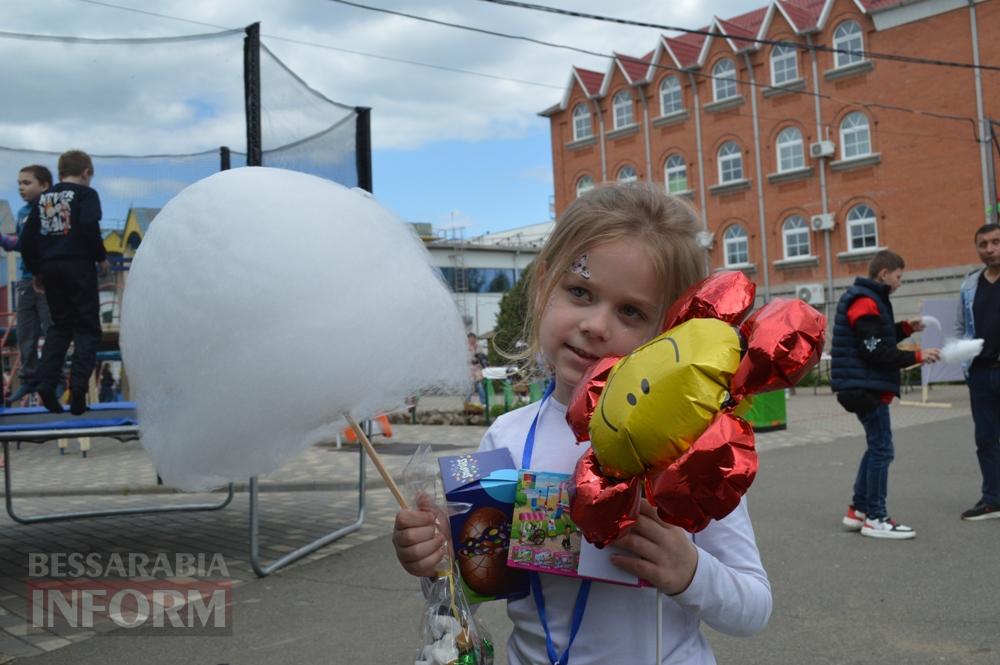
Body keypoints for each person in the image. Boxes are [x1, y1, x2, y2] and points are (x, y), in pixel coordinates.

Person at [392, 183, 771, 664]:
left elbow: (754, 608)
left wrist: (690, 571)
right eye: (580, 292)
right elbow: (478, 583)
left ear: (671, 331)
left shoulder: (691, 449)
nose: (595, 324)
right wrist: (436, 558)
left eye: (630, 311)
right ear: (545, 283)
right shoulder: (506, 437)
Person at [831, 250, 940, 540]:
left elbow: (875, 337)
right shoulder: (865, 300)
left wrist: (905, 328)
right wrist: (917, 354)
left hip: (862, 386)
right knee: (882, 449)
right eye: (899, 276)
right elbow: (874, 349)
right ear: (884, 274)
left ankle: (859, 510)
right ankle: (876, 517)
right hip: (865, 388)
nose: (900, 283)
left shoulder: (868, 298)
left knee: (876, 447)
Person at [20, 150, 108, 416]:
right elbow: (88, 224)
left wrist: (37, 270)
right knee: (87, 328)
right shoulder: (86, 195)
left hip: (50, 268)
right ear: (86, 173)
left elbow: (27, 239)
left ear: (59, 174)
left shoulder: (43, 198)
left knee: (60, 327)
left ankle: (46, 383)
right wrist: (100, 257)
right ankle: (78, 389)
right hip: (78, 265)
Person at [955, 223, 1000, 521]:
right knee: (986, 439)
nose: (990, 249)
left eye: (996, 242)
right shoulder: (970, 285)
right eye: (983, 244)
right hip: (981, 373)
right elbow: (961, 328)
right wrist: (965, 365)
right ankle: (993, 499)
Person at [2, 165, 55, 404]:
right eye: (19, 184)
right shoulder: (23, 211)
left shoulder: (49, 210)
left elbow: (38, 242)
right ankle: (29, 379)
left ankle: (51, 379)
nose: (22, 188)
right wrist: (5, 240)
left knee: (51, 329)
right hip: (26, 279)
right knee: (25, 331)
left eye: (27, 183)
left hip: (47, 280)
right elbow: (22, 243)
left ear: (44, 185)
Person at [467, 331, 487, 405]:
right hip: (469, 369)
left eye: (473, 338)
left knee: (479, 386)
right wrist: (472, 358)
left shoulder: (478, 346)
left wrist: (479, 357)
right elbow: (465, 358)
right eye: (470, 339)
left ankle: (484, 403)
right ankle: (467, 403)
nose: (472, 340)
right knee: (469, 387)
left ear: (475, 339)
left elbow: (483, 357)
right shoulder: (466, 347)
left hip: (478, 369)